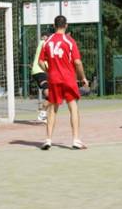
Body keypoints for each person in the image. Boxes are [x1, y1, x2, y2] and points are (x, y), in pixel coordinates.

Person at [38, 15, 89, 150]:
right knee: (73, 108)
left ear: (54, 26)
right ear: (66, 25)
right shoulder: (70, 41)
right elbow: (77, 62)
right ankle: (76, 140)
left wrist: (49, 71)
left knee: (52, 109)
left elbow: (40, 62)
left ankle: (48, 139)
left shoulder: (47, 41)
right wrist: (83, 77)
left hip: (54, 79)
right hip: (68, 79)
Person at [31, 30, 51, 122]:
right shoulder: (43, 42)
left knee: (51, 95)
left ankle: (42, 114)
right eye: (46, 37)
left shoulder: (45, 46)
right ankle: (42, 113)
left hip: (43, 71)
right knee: (49, 93)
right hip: (39, 71)